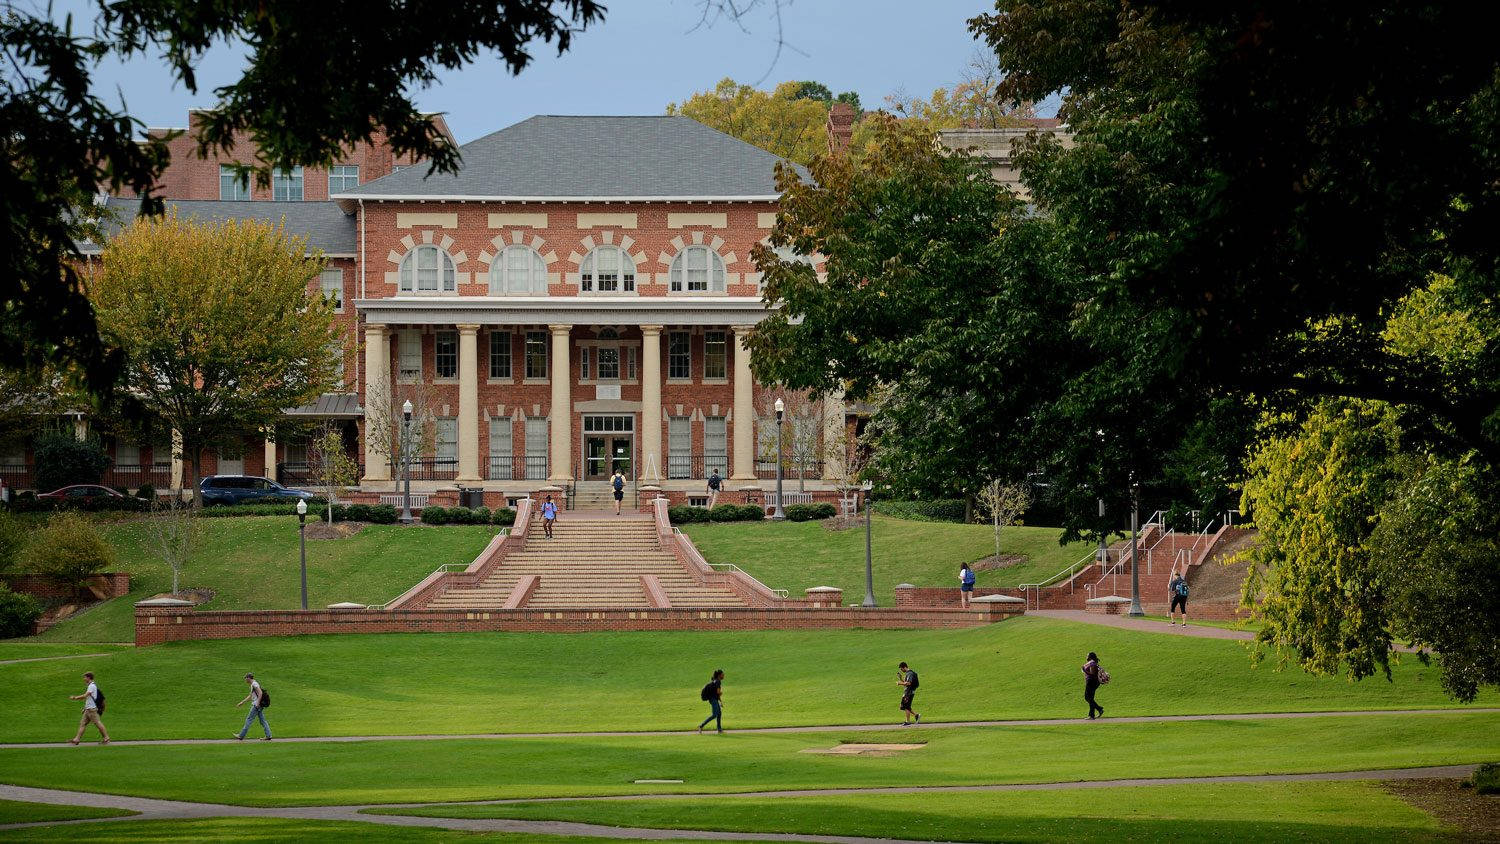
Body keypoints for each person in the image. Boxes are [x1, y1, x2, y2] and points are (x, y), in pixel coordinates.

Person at [68, 671, 109, 745]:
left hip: (92, 710)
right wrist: (85, 708)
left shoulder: (92, 686)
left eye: (85, 677)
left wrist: (75, 697)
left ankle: (106, 738)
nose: (84, 679)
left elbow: (85, 696)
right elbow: (89, 699)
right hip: (88, 709)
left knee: (98, 723)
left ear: (89, 677)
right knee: (82, 724)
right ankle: (76, 739)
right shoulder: (90, 686)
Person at [234, 672, 272, 741]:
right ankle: (268, 736)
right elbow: (251, 696)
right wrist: (242, 702)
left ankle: (241, 736)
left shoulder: (254, 684)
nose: (245, 680)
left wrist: (257, 703)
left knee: (249, 719)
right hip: (258, 705)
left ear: (248, 678)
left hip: (256, 705)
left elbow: (260, 693)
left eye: (245, 678)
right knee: (262, 721)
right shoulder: (253, 684)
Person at [697, 669, 725, 733]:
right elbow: (718, 692)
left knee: (719, 713)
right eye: (722, 675)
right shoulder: (718, 681)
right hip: (713, 700)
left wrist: (720, 702)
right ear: (719, 675)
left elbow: (716, 694)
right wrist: (721, 693)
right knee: (715, 714)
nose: (723, 676)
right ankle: (701, 726)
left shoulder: (715, 681)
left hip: (713, 699)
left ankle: (719, 729)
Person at [897, 661, 921, 726]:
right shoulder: (909, 673)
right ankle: (916, 715)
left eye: (901, 669)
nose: (901, 670)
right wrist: (901, 678)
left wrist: (899, 683)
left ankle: (907, 721)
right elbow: (906, 683)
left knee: (906, 707)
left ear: (904, 667)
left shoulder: (910, 673)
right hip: (908, 692)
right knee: (902, 706)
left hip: (909, 692)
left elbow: (909, 683)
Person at [1082, 651, 1105, 719]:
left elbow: (1092, 674)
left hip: (1092, 682)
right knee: (1091, 698)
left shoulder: (1092, 663)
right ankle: (1091, 715)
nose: (1086, 657)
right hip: (1093, 682)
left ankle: (1099, 709)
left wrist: (1084, 670)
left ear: (1090, 657)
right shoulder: (1092, 663)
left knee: (1087, 698)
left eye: (1087, 655)